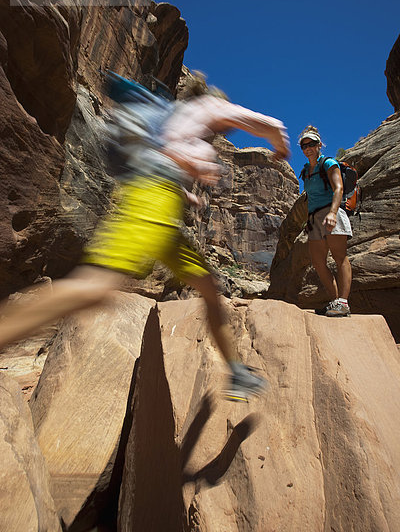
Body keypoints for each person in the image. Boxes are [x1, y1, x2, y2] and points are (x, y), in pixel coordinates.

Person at [0, 73, 290, 402]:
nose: (222, 131)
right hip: (152, 198)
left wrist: (187, 191)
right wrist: (279, 144)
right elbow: (267, 124)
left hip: (163, 211)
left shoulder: (174, 119)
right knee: (95, 286)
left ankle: (236, 372)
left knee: (209, 287)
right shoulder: (208, 107)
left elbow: (170, 160)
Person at [299, 125, 352, 317]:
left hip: (332, 213)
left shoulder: (328, 163)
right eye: (304, 146)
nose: (307, 149)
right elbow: (310, 197)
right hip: (314, 219)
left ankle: (343, 303)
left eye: (311, 144)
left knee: (340, 258)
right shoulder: (306, 171)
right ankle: (335, 301)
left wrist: (333, 212)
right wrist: (309, 219)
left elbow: (338, 189)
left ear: (319, 144)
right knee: (318, 262)